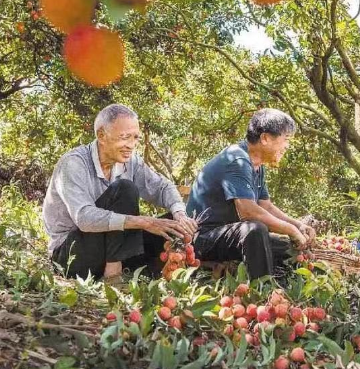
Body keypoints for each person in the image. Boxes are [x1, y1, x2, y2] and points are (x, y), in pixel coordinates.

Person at [42, 104, 197, 282]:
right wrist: (145, 222)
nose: (130, 145)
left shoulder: (130, 161)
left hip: (110, 245)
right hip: (73, 254)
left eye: (135, 138)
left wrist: (180, 214)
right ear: (101, 135)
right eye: (124, 138)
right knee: (125, 189)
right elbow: (84, 218)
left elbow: (162, 187)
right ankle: (113, 272)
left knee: (172, 223)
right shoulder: (73, 163)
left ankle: (160, 269)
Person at [186, 108, 316, 279]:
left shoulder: (257, 165)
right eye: (286, 140)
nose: (287, 146)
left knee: (288, 247)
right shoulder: (237, 160)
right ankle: (264, 293)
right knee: (254, 229)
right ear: (265, 138)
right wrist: (290, 229)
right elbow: (248, 212)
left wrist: (298, 225)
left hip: (228, 235)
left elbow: (266, 206)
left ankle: (283, 284)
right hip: (202, 239)